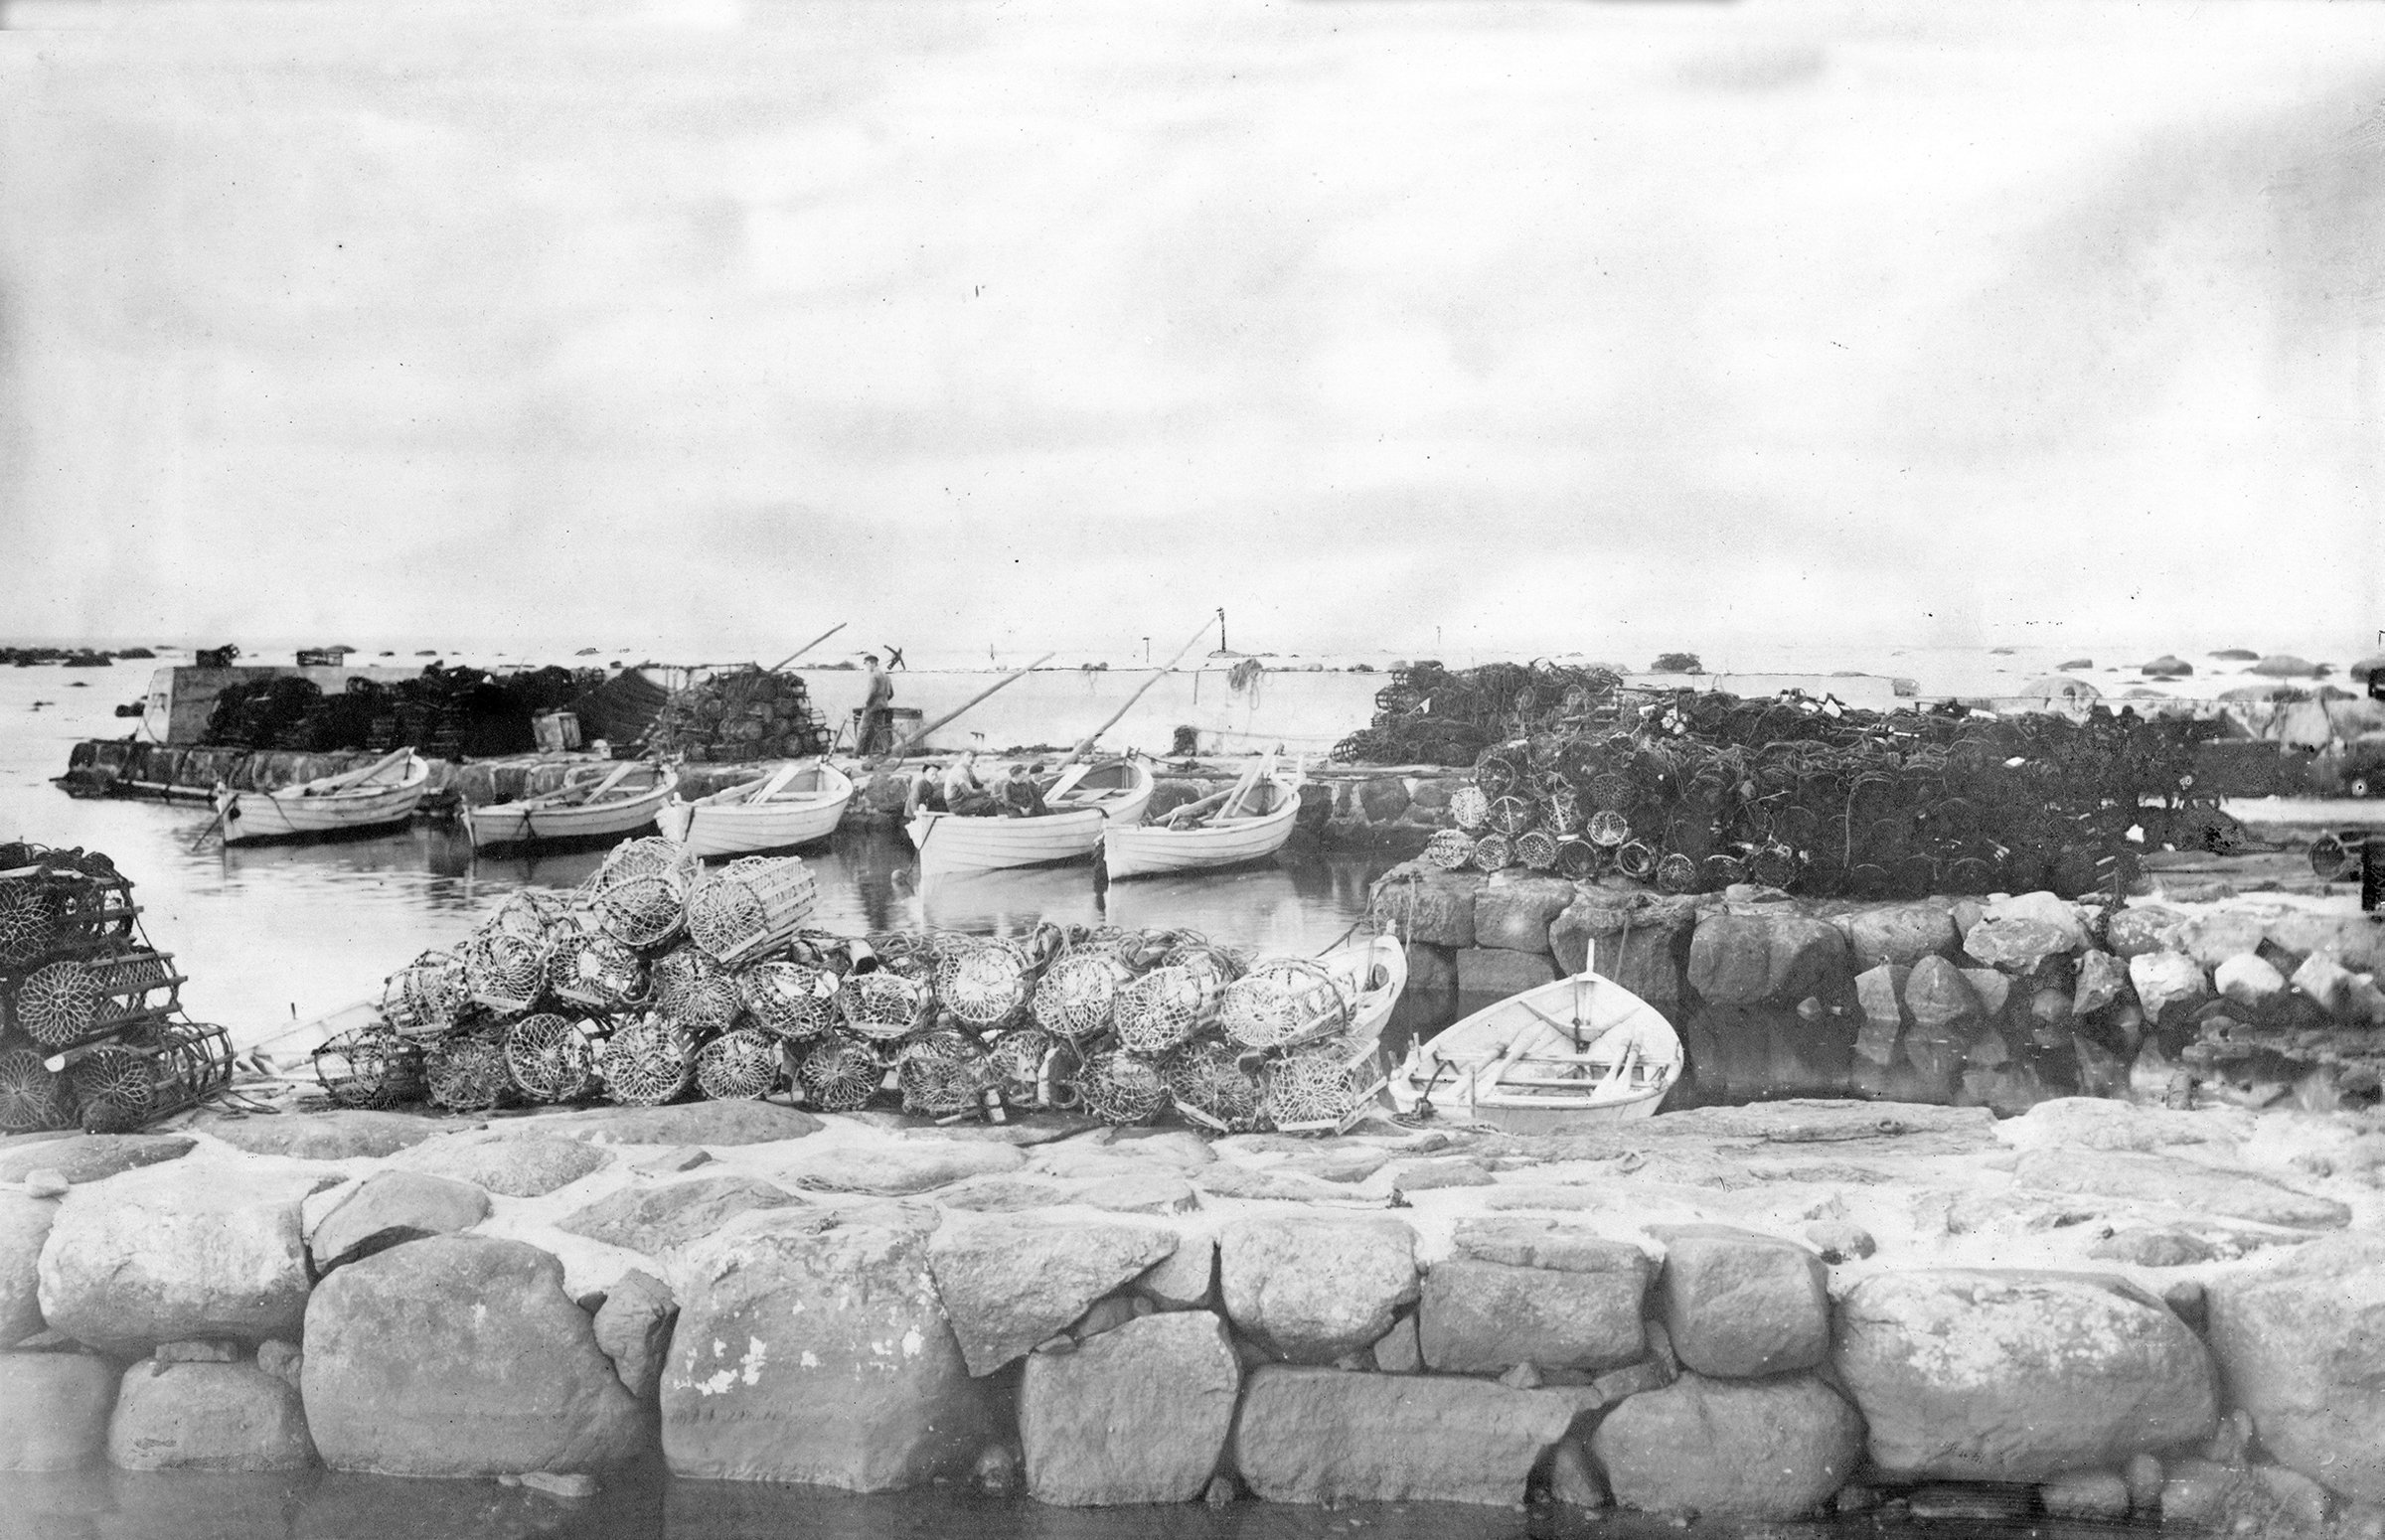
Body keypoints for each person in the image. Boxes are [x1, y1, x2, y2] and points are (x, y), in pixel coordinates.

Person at [859, 654, 893, 755]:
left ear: (873, 664)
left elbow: (872, 692)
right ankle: (886, 751)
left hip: (872, 708)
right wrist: (883, 701)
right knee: (880, 729)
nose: (866, 667)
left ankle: (857, 754)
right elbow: (891, 694)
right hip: (883, 707)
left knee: (862, 729)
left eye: (867, 664)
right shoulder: (886, 676)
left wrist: (866, 703)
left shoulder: (873, 676)